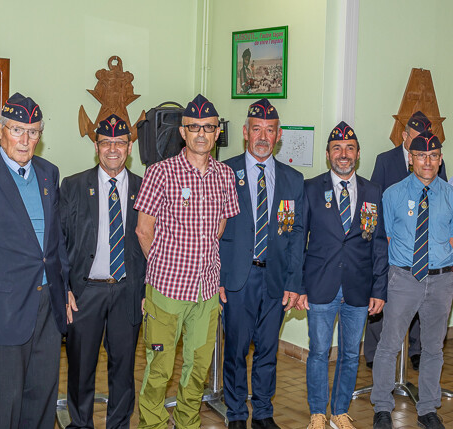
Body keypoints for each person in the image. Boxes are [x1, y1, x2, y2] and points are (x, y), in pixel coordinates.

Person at [0, 93, 70, 429]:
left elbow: (56, 240)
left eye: (33, 132)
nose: (25, 140)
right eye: (17, 130)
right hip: (0, 310)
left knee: (42, 399)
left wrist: (64, 289)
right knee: (3, 404)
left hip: (47, 307)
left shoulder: (49, 173)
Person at [134, 94, 240, 429]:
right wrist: (166, 265)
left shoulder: (225, 175)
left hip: (206, 292)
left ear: (216, 133)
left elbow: (220, 227)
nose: (201, 134)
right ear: (183, 131)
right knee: (160, 368)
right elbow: (143, 230)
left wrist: (201, 263)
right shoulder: (160, 173)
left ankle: (187, 421)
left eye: (208, 128)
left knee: (198, 367)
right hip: (166, 289)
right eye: (194, 127)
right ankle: (151, 424)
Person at [219, 98, 304, 429]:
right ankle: (237, 413)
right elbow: (212, 229)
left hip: (276, 280)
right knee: (236, 352)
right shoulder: (225, 172)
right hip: (237, 279)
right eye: (257, 129)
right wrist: (218, 279)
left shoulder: (293, 180)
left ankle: (264, 413)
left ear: (279, 134)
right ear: (245, 132)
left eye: (270, 130)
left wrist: (295, 282)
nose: (263, 137)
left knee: (268, 351)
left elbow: (296, 235)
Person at [297, 122, 388, 429]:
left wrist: (379, 289)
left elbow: (377, 243)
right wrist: (298, 286)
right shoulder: (311, 189)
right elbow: (299, 240)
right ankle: (317, 413)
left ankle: (339, 411)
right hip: (320, 286)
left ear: (358, 154)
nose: (343, 154)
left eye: (350, 148)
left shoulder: (373, 192)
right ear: (328, 155)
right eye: (337, 148)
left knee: (350, 354)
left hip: (359, 289)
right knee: (319, 353)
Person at [60, 114, 146, 429]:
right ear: (96, 146)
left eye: (120, 143)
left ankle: (118, 424)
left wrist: (146, 289)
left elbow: (154, 241)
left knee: (123, 368)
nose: (113, 149)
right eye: (106, 142)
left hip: (127, 291)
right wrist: (65, 288)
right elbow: (60, 241)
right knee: (81, 367)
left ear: (129, 146)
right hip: (86, 292)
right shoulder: (72, 186)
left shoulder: (143, 187)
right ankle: (80, 424)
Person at [371, 131, 453, 429]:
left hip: (442, 281)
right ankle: (382, 406)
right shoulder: (392, 194)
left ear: (440, 158)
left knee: (433, 348)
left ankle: (428, 408)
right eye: (421, 155)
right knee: (389, 344)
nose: (427, 161)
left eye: (433, 155)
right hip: (403, 278)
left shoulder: (450, 194)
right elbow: (384, 238)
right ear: (411, 159)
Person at [365, 111, 447, 370]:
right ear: (405, 137)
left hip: (433, 267)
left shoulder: (435, 164)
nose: (426, 158)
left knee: (428, 331)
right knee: (385, 331)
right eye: (417, 141)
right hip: (398, 263)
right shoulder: (386, 161)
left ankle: (416, 352)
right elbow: (376, 204)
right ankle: (371, 355)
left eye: (431, 152)